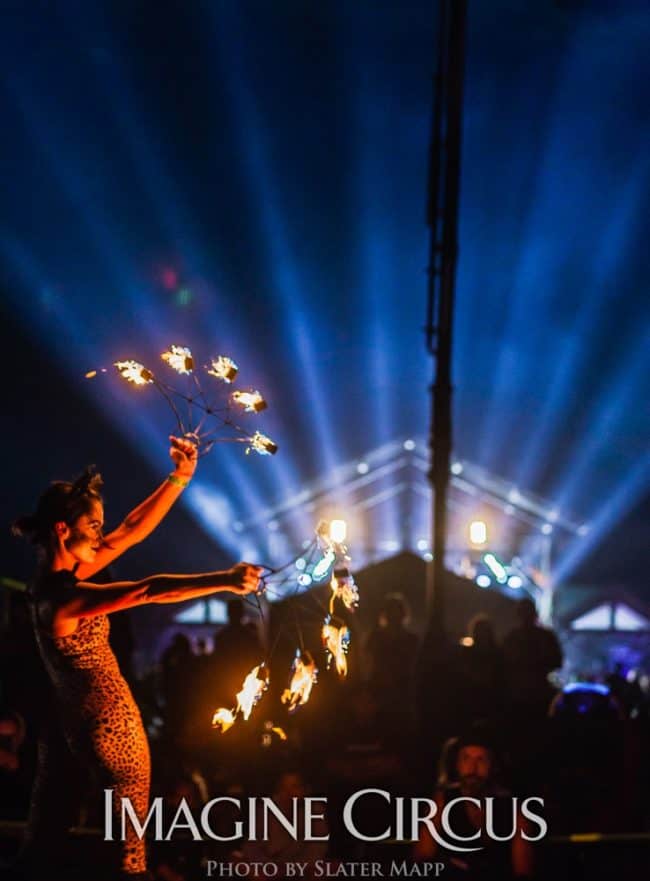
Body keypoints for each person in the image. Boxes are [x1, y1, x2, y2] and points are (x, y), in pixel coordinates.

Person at [11, 437, 263, 880]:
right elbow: (148, 590)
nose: (101, 535)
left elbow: (130, 530)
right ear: (62, 530)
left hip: (68, 726)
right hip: (111, 732)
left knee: (46, 836)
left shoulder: (48, 581)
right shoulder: (61, 599)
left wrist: (178, 478)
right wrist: (224, 579)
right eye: (93, 526)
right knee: (127, 856)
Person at [414, 729, 534, 879]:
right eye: (466, 759)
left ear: (493, 766)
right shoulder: (442, 802)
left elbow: (523, 870)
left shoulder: (513, 808)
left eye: (481, 760)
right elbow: (422, 859)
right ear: (457, 765)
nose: (472, 768)